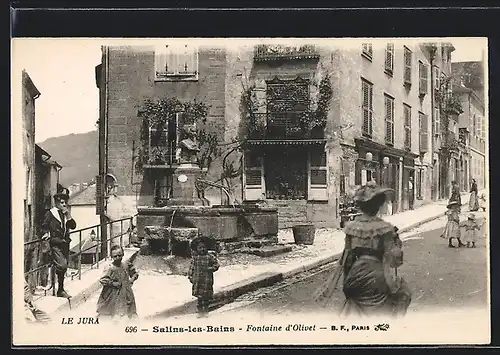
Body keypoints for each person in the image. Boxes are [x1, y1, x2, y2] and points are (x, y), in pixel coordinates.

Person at [314, 181, 411, 318]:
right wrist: (397, 243)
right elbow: (394, 260)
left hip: (355, 276)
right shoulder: (385, 228)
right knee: (403, 292)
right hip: (376, 276)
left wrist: (332, 285)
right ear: (378, 206)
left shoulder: (351, 227)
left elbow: (344, 259)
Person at [40, 192, 77, 298]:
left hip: (65, 243)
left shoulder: (65, 214)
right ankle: (56, 285)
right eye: (62, 202)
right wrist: (46, 233)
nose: (64, 204)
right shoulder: (51, 213)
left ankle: (60, 289)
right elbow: (44, 225)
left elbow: (73, 226)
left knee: (64, 267)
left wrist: (68, 215)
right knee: (62, 265)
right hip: (55, 243)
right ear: (56, 202)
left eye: (65, 202)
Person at [96, 245, 139, 321]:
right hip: (114, 292)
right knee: (114, 310)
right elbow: (103, 280)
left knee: (129, 307)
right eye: (115, 256)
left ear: (123, 254)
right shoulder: (110, 267)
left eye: (120, 255)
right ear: (112, 256)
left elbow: (135, 273)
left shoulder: (126, 265)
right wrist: (113, 283)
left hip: (126, 291)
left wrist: (132, 279)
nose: (118, 258)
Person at [188, 236, 220, 318]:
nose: (202, 249)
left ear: (207, 248)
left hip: (206, 280)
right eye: (200, 248)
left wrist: (211, 268)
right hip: (198, 280)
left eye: (204, 247)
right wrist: (190, 276)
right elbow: (191, 268)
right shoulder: (195, 258)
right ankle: (200, 312)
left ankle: (205, 311)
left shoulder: (210, 257)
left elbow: (216, 265)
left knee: (205, 297)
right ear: (196, 249)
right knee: (199, 298)